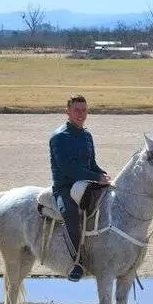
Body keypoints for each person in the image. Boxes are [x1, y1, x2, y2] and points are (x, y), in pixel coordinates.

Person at [49, 95, 112, 281]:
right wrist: (96, 177)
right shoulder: (59, 137)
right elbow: (68, 169)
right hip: (65, 187)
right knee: (70, 213)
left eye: (84, 110)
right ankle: (77, 262)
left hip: (86, 182)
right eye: (76, 110)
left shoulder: (86, 135)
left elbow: (92, 164)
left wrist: (104, 175)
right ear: (67, 112)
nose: (81, 114)